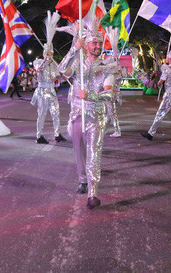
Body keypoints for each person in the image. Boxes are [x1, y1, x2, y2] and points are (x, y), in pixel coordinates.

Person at [58, 15, 115, 209]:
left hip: (96, 118)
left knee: (94, 153)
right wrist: (74, 49)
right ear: (87, 44)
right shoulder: (77, 64)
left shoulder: (108, 66)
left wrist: (90, 95)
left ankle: (93, 193)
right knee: (78, 152)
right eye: (94, 43)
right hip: (76, 116)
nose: (98, 46)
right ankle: (82, 179)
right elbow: (60, 70)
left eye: (100, 43)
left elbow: (109, 95)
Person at [31, 11, 66, 144]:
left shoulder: (53, 65)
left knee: (56, 113)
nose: (50, 55)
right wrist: (46, 60)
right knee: (42, 114)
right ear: (45, 53)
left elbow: (57, 77)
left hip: (52, 91)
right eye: (48, 53)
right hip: (42, 92)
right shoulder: (39, 63)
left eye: (51, 52)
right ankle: (39, 136)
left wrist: (62, 75)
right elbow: (39, 72)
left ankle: (57, 134)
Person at [141, 54, 171, 142]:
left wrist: (160, 83)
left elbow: (159, 83)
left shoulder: (166, 69)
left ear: (170, 58)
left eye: (167, 57)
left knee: (160, 114)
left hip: (169, 95)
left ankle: (150, 133)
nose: (166, 58)